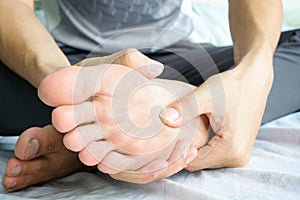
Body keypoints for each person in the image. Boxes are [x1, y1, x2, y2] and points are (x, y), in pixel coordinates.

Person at [1, 0, 300, 192]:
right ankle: (172, 122)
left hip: (174, 65)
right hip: (66, 58)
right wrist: (61, 75)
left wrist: (253, 75)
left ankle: (109, 131)